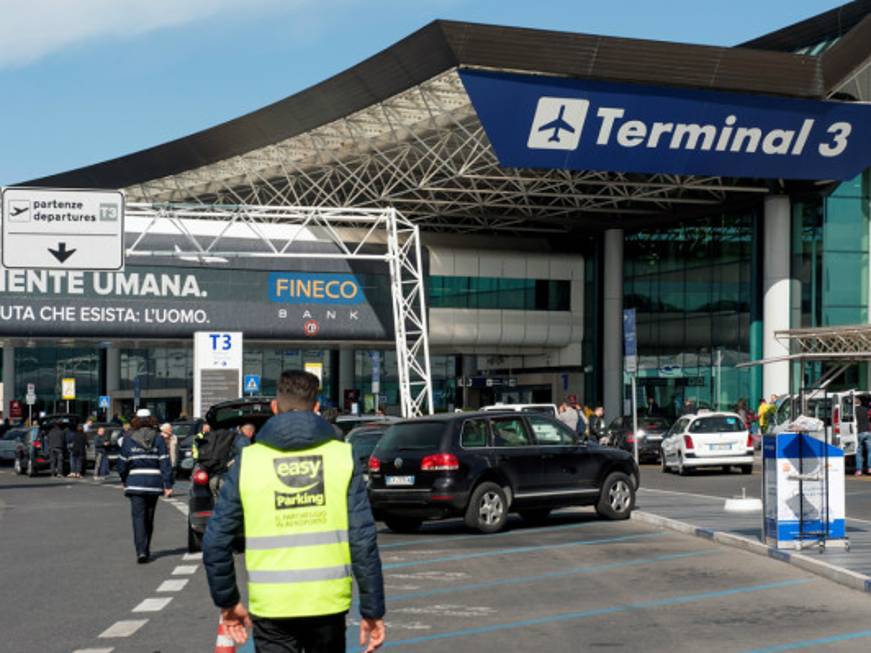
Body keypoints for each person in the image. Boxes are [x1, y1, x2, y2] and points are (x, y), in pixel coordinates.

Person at [203, 370, 386, 652]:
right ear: (316, 409)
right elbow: (362, 539)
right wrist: (373, 611)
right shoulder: (341, 456)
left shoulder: (249, 461)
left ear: (274, 408)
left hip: (272, 607)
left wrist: (228, 602)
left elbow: (216, 539)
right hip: (327, 604)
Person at [116, 409, 173, 563]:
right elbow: (165, 462)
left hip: (135, 483)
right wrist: (168, 484)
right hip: (154, 483)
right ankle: (146, 547)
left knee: (138, 518)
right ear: (151, 420)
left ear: (136, 420)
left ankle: (141, 551)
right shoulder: (159, 439)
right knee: (149, 517)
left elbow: (121, 464)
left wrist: (124, 479)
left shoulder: (129, 439)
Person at [854, 396, 871, 477]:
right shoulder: (865, 409)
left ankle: (859, 470)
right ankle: (870, 468)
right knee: (870, 451)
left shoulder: (853, 410)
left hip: (859, 432)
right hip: (868, 432)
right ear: (860, 403)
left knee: (859, 452)